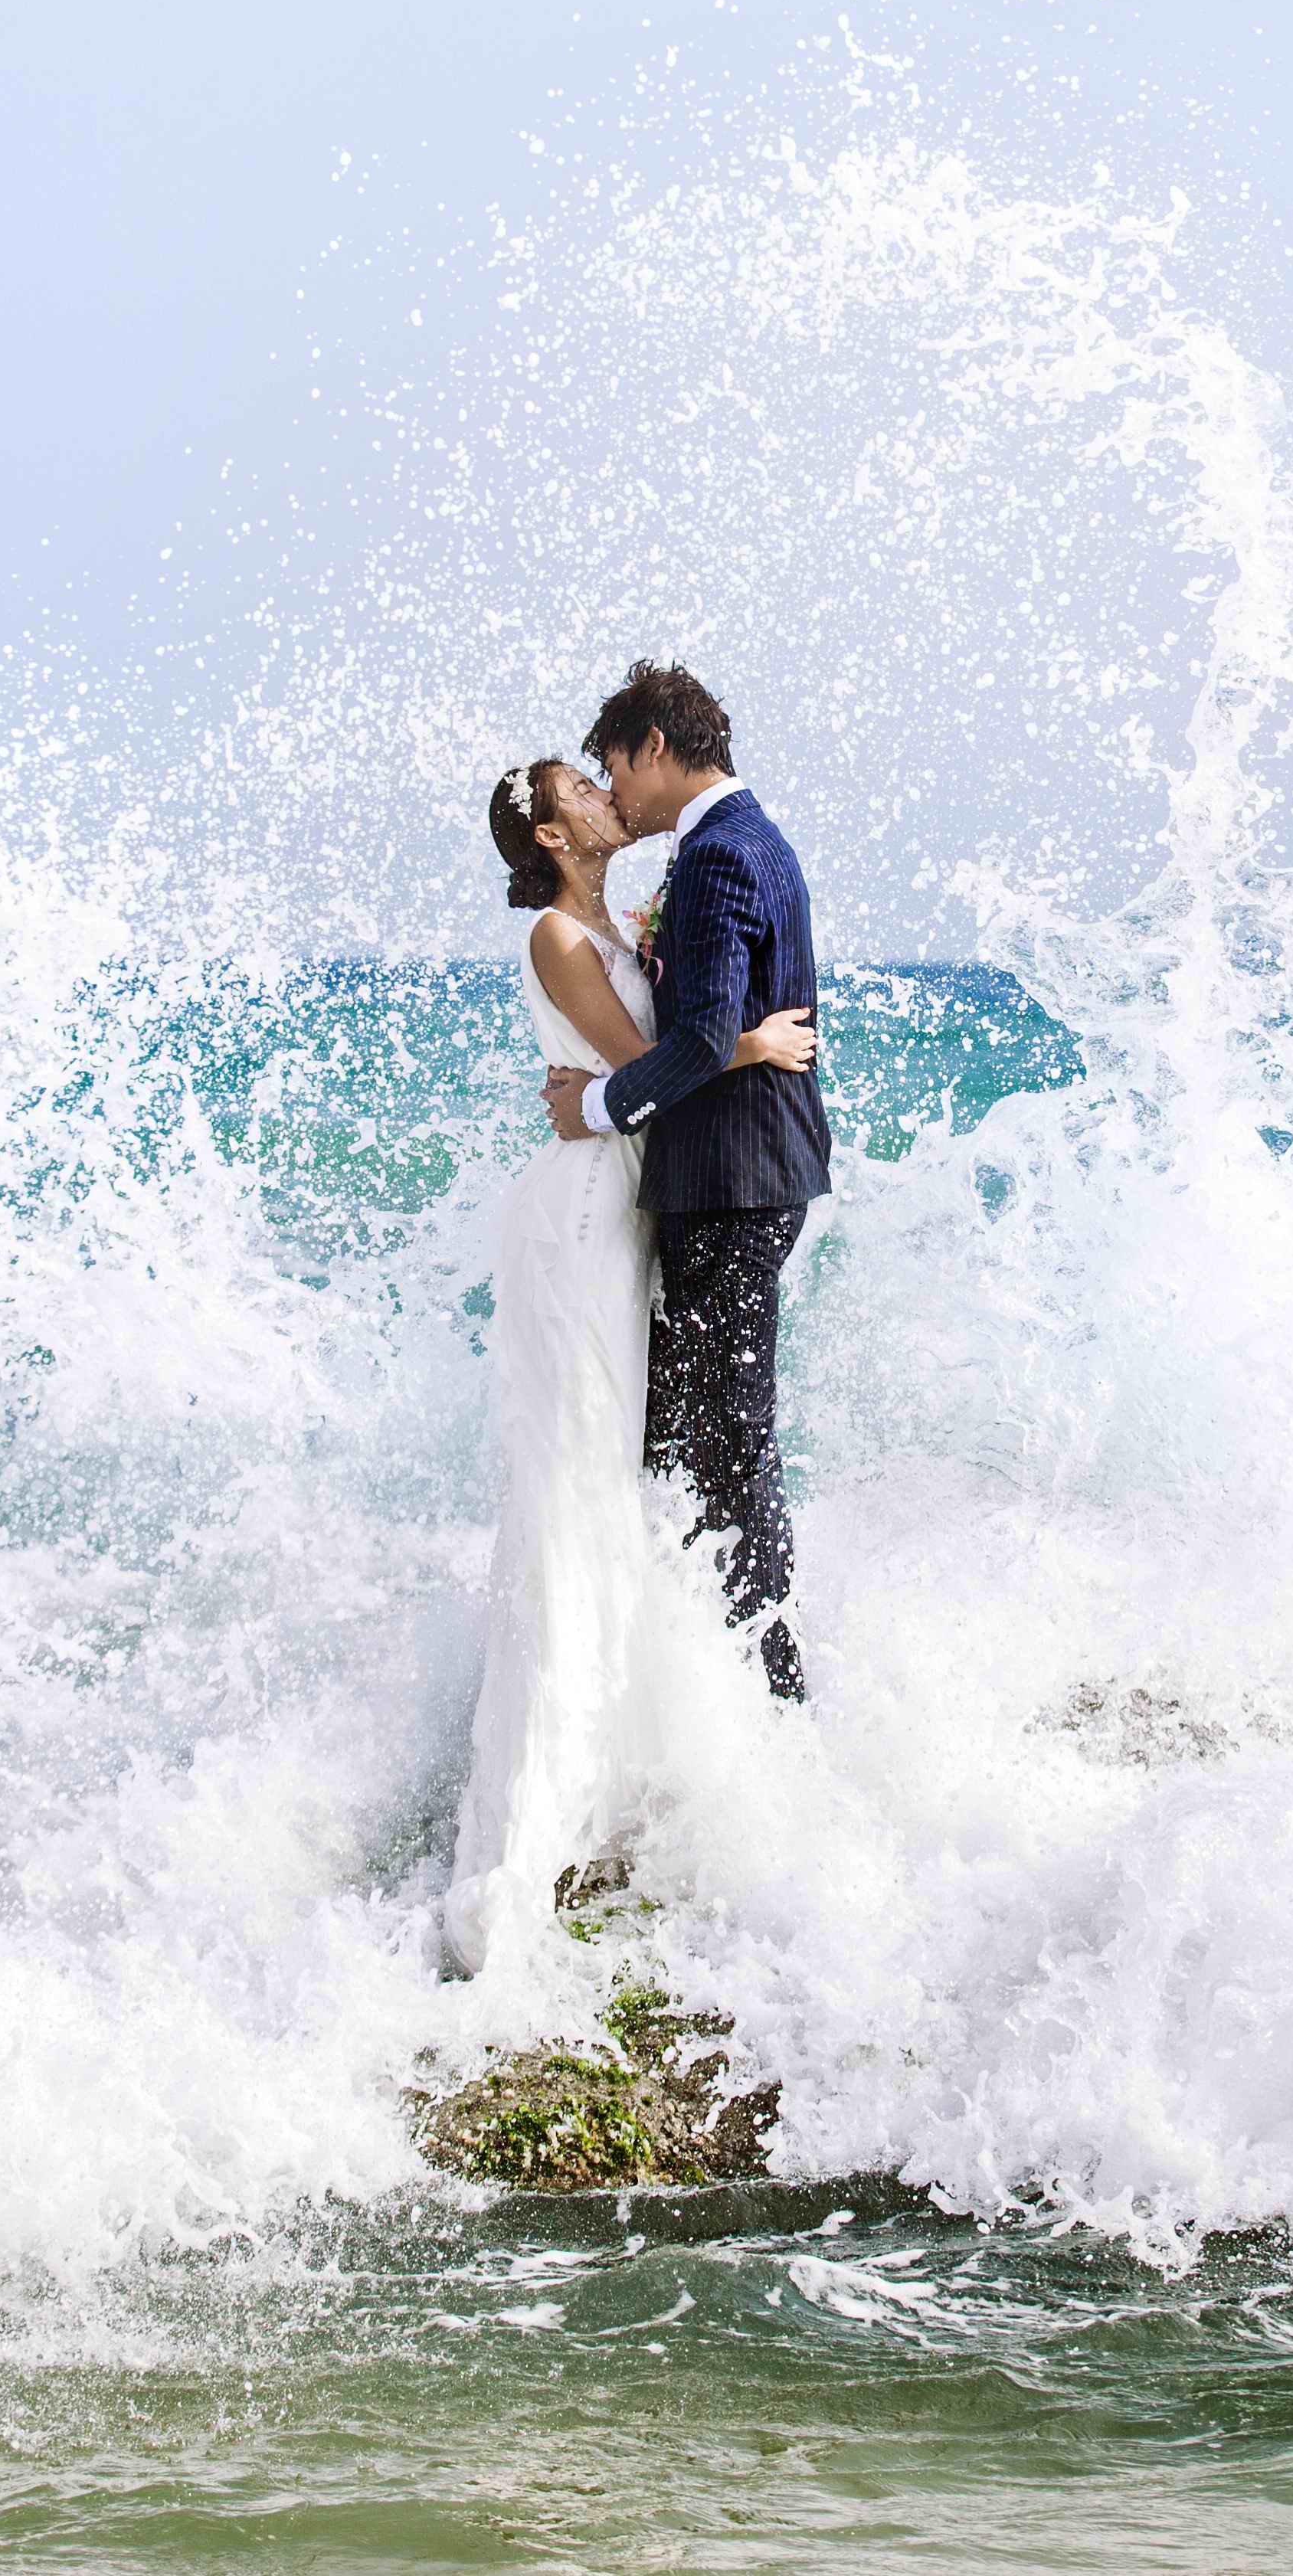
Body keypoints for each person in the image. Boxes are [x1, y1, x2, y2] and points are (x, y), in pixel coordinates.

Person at [443, 754, 814, 1975]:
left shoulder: (618, 917)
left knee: (622, 1458)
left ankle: (630, 1751)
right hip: (585, 1211)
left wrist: (688, 1047)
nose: (609, 797)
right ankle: (542, 1803)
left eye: (608, 779)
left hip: (631, 1204)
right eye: (581, 791)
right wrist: (749, 1043)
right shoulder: (559, 933)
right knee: (580, 1465)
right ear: (552, 833)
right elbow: (646, 1074)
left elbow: (629, 1066)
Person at [542, 660, 830, 1703]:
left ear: (654, 748)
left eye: (614, 767)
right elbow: (718, 1024)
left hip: (733, 1184)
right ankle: (688, 1680)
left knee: (729, 1444)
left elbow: (706, 1034)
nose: (613, 792)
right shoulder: (731, 844)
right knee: (682, 1430)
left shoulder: (719, 856)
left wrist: (593, 1109)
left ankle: (776, 1697)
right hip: (734, 1181)